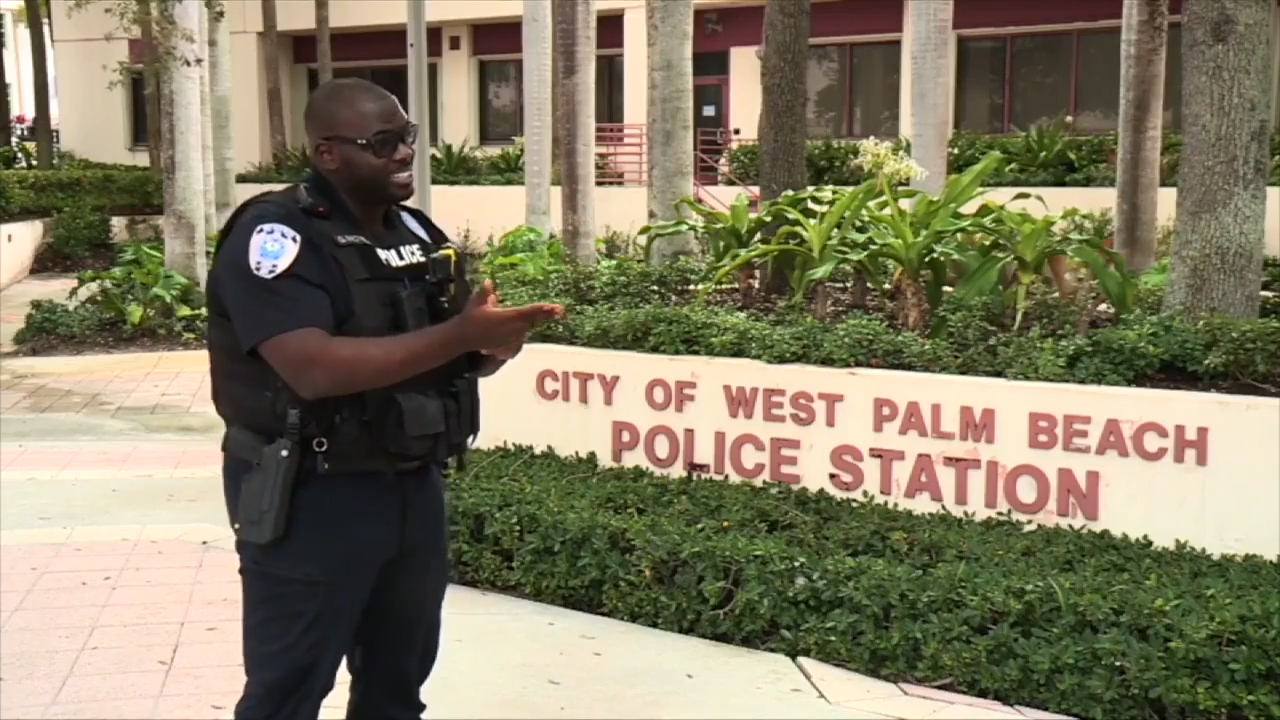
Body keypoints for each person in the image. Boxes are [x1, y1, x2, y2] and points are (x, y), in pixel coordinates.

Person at [205, 78, 562, 720]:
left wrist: (488, 347)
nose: (404, 154)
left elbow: (445, 346)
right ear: (327, 153)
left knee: (398, 688)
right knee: (287, 693)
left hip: (410, 487)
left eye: (408, 137)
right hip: (311, 494)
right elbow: (310, 367)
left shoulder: (416, 232)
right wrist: (461, 335)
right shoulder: (276, 234)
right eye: (383, 142)